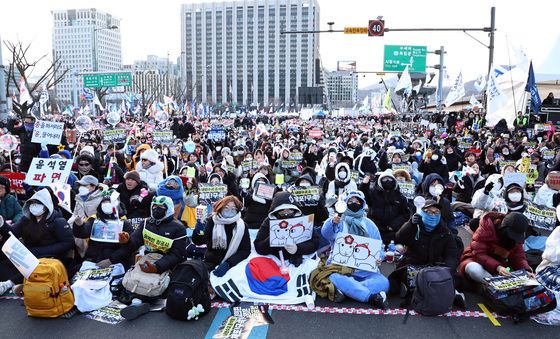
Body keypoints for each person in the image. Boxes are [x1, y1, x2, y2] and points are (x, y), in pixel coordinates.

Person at [317, 190, 389, 308]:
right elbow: (326, 233)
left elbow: (379, 247)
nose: (354, 203)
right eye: (350, 201)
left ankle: (349, 290)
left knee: (384, 283)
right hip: (340, 268)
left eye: (357, 201)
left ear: (363, 204)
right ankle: (369, 297)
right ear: (345, 203)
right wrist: (332, 222)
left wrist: (379, 258)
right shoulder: (339, 221)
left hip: (366, 271)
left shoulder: (370, 224)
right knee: (334, 277)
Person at [392, 199, 464, 307]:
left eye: (436, 212)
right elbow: (399, 238)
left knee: (450, 279)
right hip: (413, 265)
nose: (433, 215)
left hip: (435, 267)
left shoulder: (445, 231)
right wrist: (410, 224)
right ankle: (447, 294)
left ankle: (447, 293)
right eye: (429, 212)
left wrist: (447, 270)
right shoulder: (414, 226)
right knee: (396, 283)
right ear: (422, 212)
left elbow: (452, 254)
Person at [0, 189, 74, 294]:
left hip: (49, 259)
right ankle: (20, 285)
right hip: (26, 255)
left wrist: (42, 251)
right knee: (6, 264)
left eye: (38, 204)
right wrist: (2, 224)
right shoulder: (25, 220)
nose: (34, 206)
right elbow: (12, 234)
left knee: (34, 266)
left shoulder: (58, 221)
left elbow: (68, 242)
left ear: (46, 205)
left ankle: (8, 284)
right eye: (32, 203)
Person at [109, 196, 186, 275]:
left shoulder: (179, 228)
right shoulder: (146, 223)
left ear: (169, 208)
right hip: (148, 260)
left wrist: (157, 267)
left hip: (168, 265)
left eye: (161, 206)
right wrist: (127, 240)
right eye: (155, 206)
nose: (157, 209)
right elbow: (136, 241)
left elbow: (177, 254)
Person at [460, 212, 533, 286]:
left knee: (521, 270)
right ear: (503, 226)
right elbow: (478, 253)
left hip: (500, 266)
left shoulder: (515, 238)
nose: (513, 237)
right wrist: (498, 267)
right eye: (511, 234)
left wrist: (526, 271)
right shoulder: (485, 228)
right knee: (473, 269)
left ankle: (491, 285)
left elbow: (519, 257)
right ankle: (493, 285)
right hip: (475, 259)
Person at [254, 191, 319, 266]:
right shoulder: (269, 221)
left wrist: (298, 249)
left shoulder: (303, 220)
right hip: (276, 261)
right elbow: (258, 246)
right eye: (282, 210)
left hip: (300, 260)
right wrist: (272, 238)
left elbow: (315, 242)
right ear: (275, 211)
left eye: (289, 209)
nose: (286, 213)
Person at [192, 196, 251, 276]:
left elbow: (245, 250)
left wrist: (229, 263)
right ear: (220, 207)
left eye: (233, 208)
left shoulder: (242, 226)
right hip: (210, 262)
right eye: (226, 207)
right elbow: (199, 242)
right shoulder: (212, 221)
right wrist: (199, 231)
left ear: (237, 210)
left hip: (232, 265)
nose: (229, 211)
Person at [73, 191, 133, 266]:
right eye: (104, 203)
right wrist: (79, 225)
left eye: (109, 203)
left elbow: (129, 247)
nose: (107, 205)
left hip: (115, 262)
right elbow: (82, 234)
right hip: (92, 259)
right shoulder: (95, 221)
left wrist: (112, 260)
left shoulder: (123, 223)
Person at [360, 170, 410, 243]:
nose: (387, 181)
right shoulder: (373, 194)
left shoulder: (400, 196)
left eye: (389, 179)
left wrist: (393, 225)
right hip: (375, 229)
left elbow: (405, 214)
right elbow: (363, 195)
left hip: (393, 232)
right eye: (384, 179)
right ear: (380, 181)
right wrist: (364, 185)